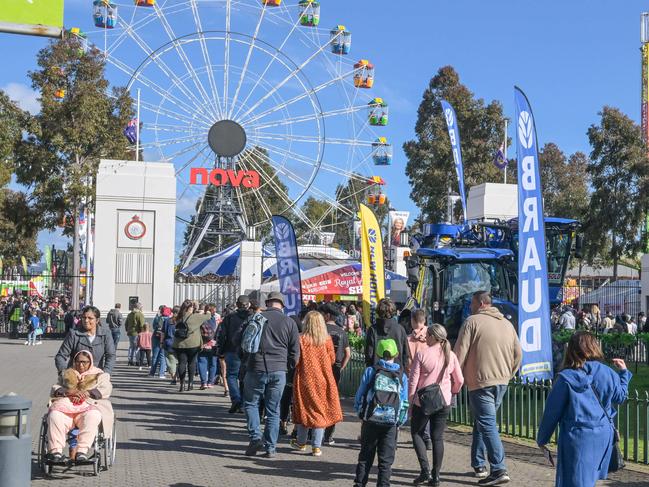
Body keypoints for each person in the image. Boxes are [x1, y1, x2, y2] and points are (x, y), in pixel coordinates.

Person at [537, 332, 631, 487]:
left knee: (573, 480)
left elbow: (552, 412)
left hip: (577, 436)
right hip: (603, 435)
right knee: (589, 479)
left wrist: (542, 439)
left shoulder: (566, 377)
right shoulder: (608, 373)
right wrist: (623, 373)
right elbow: (620, 397)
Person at [453, 291, 522, 485]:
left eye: (473, 304)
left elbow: (459, 353)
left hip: (481, 381)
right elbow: (518, 354)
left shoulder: (472, 322)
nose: (471, 307)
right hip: (501, 381)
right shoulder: (507, 324)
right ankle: (479, 463)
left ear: (481, 303)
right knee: (483, 421)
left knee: (487, 423)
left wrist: (454, 378)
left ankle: (499, 469)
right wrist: (508, 373)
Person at [243, 291, 300, 458]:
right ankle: (270, 448)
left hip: (255, 367)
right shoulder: (289, 322)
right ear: (281, 305)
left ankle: (255, 437)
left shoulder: (256, 318)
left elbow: (242, 341)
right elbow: (295, 352)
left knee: (251, 404)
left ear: (267, 303)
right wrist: (287, 367)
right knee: (273, 410)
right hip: (279, 370)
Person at [409, 324, 464, 486]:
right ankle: (436, 475)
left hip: (423, 401)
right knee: (437, 437)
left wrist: (411, 401)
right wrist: (452, 391)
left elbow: (413, 381)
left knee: (417, 433)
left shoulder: (422, 354)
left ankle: (424, 471)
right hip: (443, 400)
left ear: (433, 337)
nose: (425, 337)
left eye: (427, 335)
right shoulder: (451, 355)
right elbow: (459, 380)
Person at [353, 339, 409, 487]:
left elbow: (360, 395)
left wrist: (360, 413)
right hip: (390, 423)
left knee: (365, 457)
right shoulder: (402, 376)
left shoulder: (371, 371)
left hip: (370, 419)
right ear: (396, 353)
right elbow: (404, 404)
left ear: (378, 353)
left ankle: (359, 484)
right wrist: (399, 422)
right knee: (385, 462)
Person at [290, 311, 343, 456]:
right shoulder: (326, 340)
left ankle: (301, 443)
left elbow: (296, 360)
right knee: (319, 410)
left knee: (303, 409)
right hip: (323, 379)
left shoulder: (301, 339)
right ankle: (316, 446)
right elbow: (332, 359)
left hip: (305, 379)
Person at [47, 350, 114, 462]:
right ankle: (56, 452)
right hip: (66, 406)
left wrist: (87, 393)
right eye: (78, 362)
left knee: (94, 415)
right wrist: (69, 392)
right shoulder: (67, 374)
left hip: (88, 405)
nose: (81, 365)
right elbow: (55, 387)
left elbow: (106, 389)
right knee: (54, 415)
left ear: (90, 362)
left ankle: (82, 451)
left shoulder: (100, 375)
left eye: (84, 362)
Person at [320, 303, 350, 445]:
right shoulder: (341, 332)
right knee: (332, 401)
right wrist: (341, 367)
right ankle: (328, 434)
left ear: (327, 315)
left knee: (319, 399)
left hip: (320, 368)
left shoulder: (320, 330)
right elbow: (348, 354)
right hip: (335, 369)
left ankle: (314, 431)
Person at [55, 306, 116, 374]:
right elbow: (60, 356)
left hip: (97, 377)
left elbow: (111, 356)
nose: (86, 320)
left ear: (97, 320)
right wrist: (66, 373)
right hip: (76, 377)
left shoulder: (105, 334)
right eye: (84, 317)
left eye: (90, 318)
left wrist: (106, 373)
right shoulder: (74, 334)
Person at [218, 295, 251, 413]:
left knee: (231, 376)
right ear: (248, 305)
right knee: (244, 378)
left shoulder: (229, 317)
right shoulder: (252, 317)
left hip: (231, 350)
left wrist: (220, 351)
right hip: (248, 351)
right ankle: (242, 403)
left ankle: (236, 399)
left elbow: (222, 335)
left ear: (237, 305)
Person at [173, 299, 208, 392]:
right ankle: (190, 384)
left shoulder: (178, 317)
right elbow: (208, 316)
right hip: (193, 344)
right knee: (192, 363)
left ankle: (182, 384)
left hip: (179, 344)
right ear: (190, 308)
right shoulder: (195, 317)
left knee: (181, 363)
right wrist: (204, 311)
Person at [365, 298, 409, 370]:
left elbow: (369, 354)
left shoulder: (372, 329)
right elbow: (405, 354)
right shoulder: (400, 329)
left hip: (377, 372)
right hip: (396, 372)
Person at [197, 308, 218, 390]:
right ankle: (210, 382)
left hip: (202, 344)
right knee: (213, 363)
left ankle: (203, 383)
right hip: (213, 344)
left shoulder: (199, 320)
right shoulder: (214, 320)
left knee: (202, 362)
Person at [150, 306, 171, 379]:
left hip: (156, 337)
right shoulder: (169, 320)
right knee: (162, 356)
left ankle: (152, 373)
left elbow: (153, 327)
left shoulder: (157, 318)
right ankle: (161, 373)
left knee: (155, 356)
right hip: (164, 338)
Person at [161, 305, 180, 385]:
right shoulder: (181, 321)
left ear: (173, 312)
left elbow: (163, 333)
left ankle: (173, 378)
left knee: (170, 362)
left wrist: (161, 342)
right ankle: (177, 376)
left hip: (169, 343)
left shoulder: (167, 321)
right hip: (179, 344)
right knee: (178, 361)